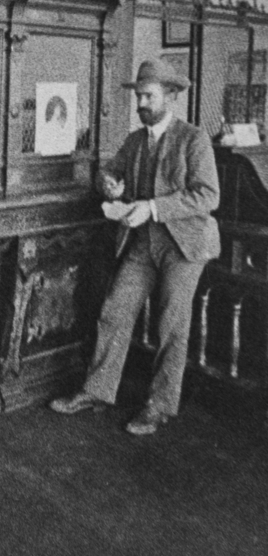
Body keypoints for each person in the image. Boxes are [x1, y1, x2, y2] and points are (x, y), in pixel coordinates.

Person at [49, 58, 220, 436]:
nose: (141, 103)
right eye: (139, 96)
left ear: (170, 97)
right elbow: (107, 172)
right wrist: (109, 183)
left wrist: (154, 207)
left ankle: (159, 406)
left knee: (171, 323)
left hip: (184, 245)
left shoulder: (193, 139)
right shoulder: (134, 140)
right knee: (114, 310)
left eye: (149, 96)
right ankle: (96, 390)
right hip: (143, 243)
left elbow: (208, 195)